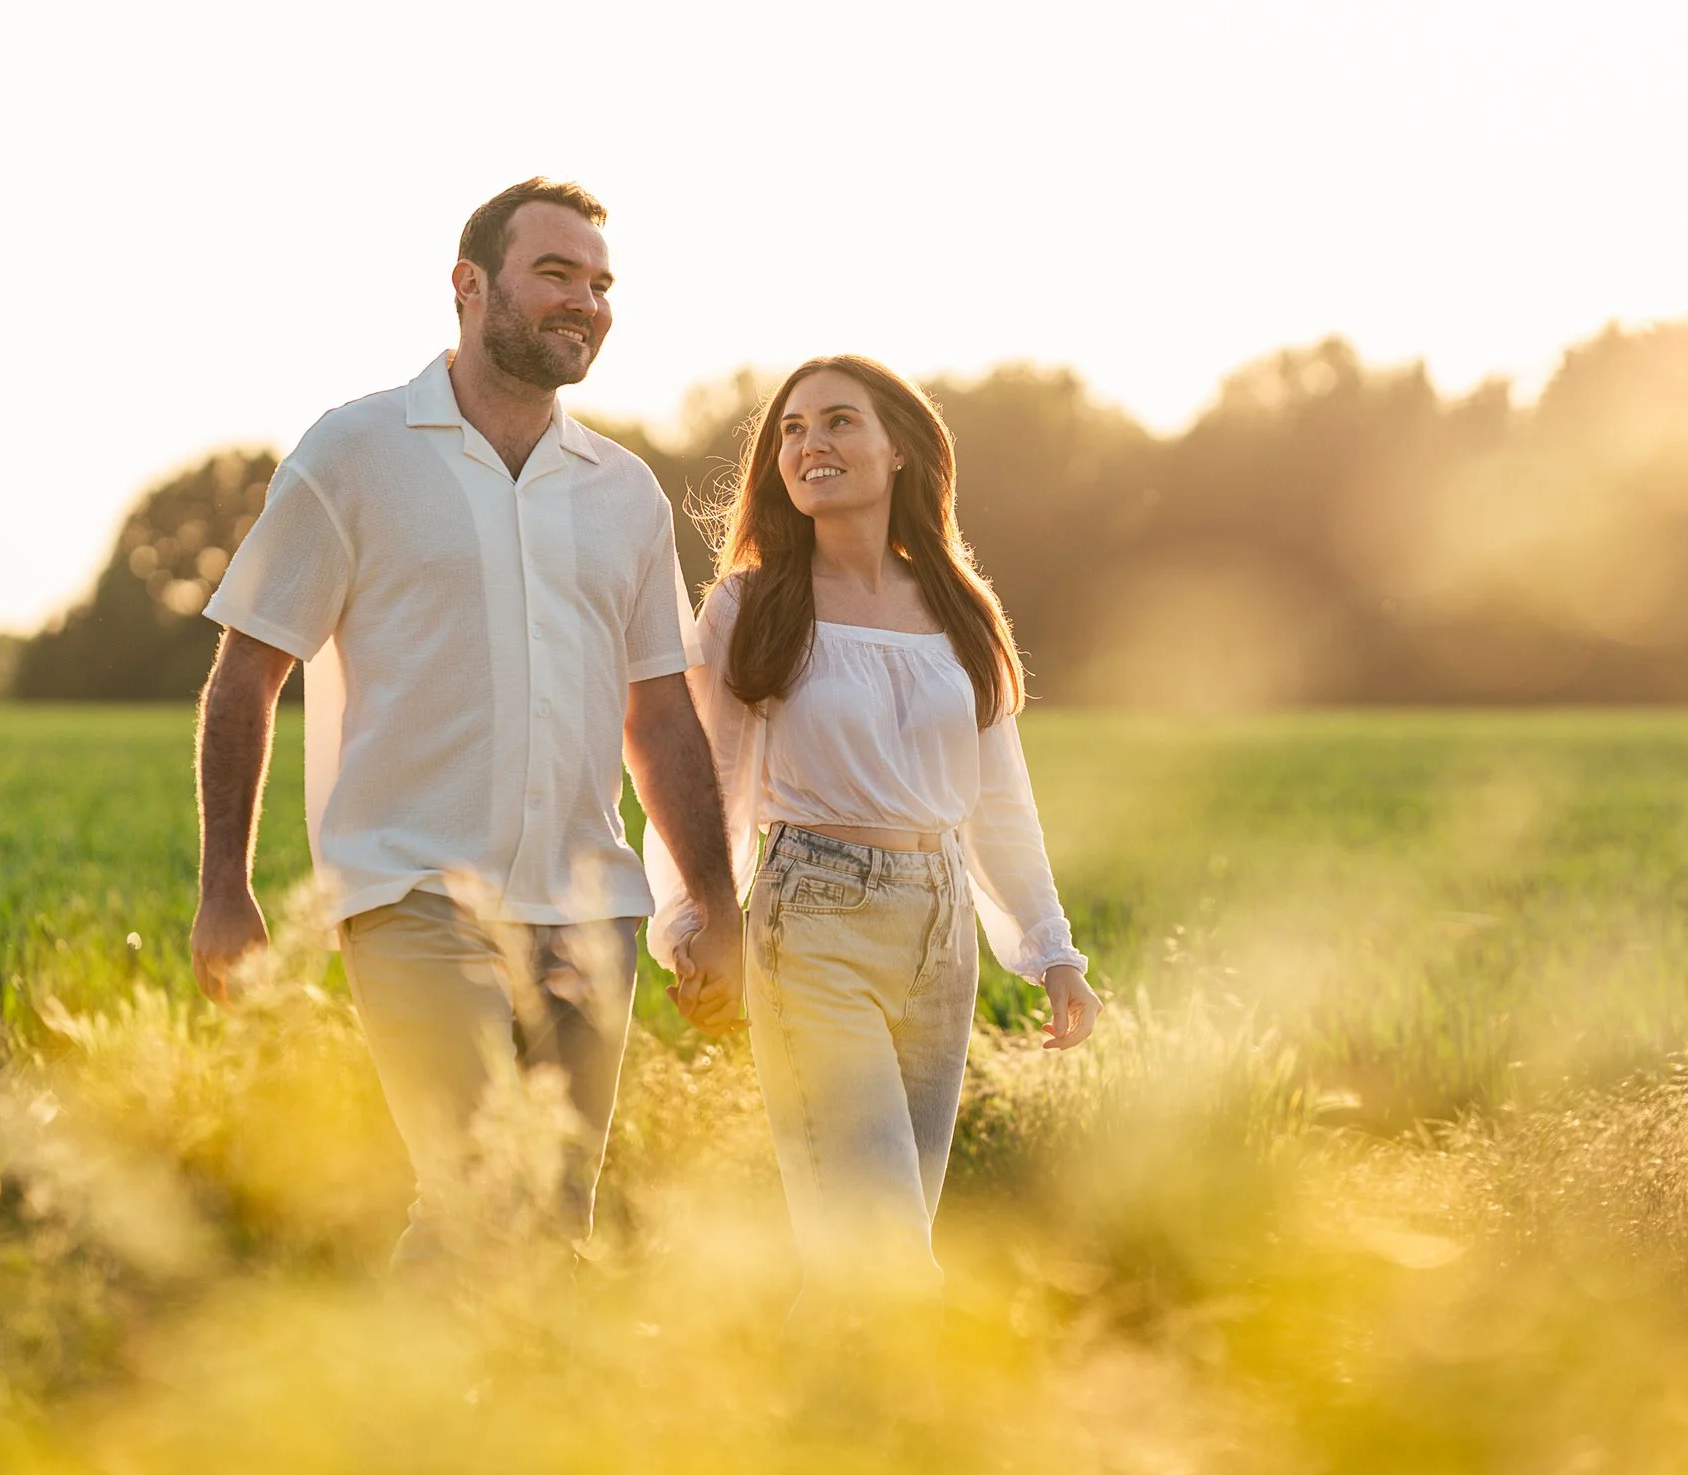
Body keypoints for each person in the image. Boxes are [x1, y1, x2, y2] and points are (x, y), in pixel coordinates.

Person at [188, 177, 744, 1265]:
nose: (584, 300)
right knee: (479, 1190)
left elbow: (661, 713)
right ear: (468, 284)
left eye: (599, 283)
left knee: (553, 1219)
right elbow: (246, 669)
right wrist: (224, 888)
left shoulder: (623, 489)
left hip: (589, 910)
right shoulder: (354, 452)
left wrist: (714, 903)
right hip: (413, 893)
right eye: (555, 274)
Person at [645, 354, 1101, 1309]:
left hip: (941, 937)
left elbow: (998, 798)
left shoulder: (956, 606)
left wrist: (1050, 946)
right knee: (880, 1246)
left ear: (901, 450)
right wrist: (695, 923)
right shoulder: (748, 605)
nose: (811, 444)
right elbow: (707, 777)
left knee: (880, 1244)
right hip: (812, 922)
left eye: (839, 421)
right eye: (793, 429)